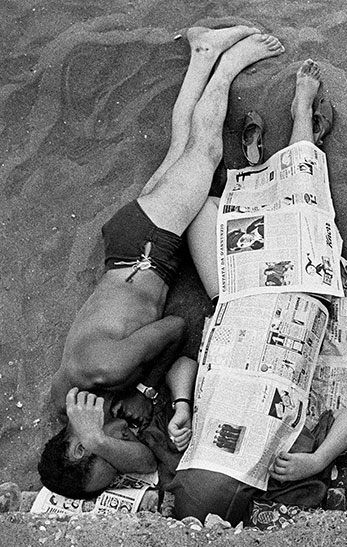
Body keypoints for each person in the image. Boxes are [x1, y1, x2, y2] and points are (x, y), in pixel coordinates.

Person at [37, 27, 286, 500]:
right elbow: (144, 459)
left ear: (79, 443)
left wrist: (146, 392)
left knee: (205, 151)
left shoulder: (107, 373)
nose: (124, 442)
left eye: (109, 449)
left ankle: (227, 65)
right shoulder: (67, 400)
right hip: (132, 249)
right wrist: (100, 434)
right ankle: (202, 52)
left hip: (149, 247)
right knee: (181, 148)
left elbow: (172, 328)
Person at [167, 59, 347, 525]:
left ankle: (255, 167)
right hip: (301, 295)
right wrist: (318, 460)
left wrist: (182, 407)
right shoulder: (283, 473)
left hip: (231, 302)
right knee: (300, 209)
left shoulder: (189, 445)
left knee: (204, 210)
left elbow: (183, 365)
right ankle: (301, 116)